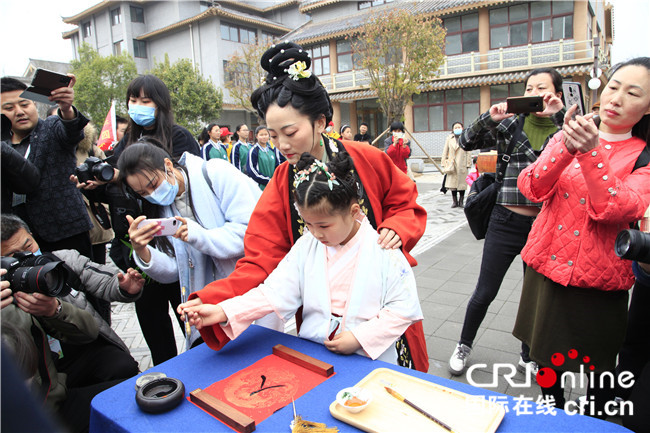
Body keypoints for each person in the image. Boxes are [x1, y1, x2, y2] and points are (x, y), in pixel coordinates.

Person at [178, 42, 429, 372]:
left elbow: (404, 202)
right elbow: (262, 262)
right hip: (322, 329)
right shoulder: (282, 182)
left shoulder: (366, 158)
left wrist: (396, 227)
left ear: (321, 122)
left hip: (378, 315)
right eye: (272, 134)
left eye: (291, 132)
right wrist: (219, 302)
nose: (282, 145)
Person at [181, 150, 423, 363]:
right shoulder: (307, 245)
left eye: (324, 226)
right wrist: (224, 310)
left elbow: (403, 309)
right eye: (308, 224)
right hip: (313, 350)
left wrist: (360, 337)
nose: (316, 233)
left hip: (368, 355)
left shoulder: (383, 249)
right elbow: (274, 292)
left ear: (353, 211)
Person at [513, 57, 650, 417]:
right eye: (614, 86)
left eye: (632, 93)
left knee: (600, 370)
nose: (616, 98)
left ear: (648, 107)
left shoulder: (643, 157)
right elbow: (531, 186)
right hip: (545, 265)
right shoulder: (568, 133)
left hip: (599, 281)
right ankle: (553, 414)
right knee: (545, 359)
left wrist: (591, 154)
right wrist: (566, 146)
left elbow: (615, 208)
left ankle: (595, 421)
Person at [76, 74, 201, 365]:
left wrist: (128, 176)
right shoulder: (126, 141)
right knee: (153, 323)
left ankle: (199, 373)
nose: (138, 106)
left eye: (145, 100)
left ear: (160, 104)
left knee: (191, 320)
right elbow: (121, 192)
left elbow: (184, 189)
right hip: (135, 244)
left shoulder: (179, 136)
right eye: (133, 100)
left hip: (173, 242)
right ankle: (167, 377)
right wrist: (99, 186)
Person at [448, 67, 566, 376]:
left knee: (534, 297)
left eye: (541, 87)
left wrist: (559, 117)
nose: (533, 93)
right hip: (505, 218)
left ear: (555, 93)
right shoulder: (511, 122)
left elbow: (578, 153)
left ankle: (528, 354)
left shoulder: (563, 129)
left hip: (544, 226)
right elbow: (466, 141)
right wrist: (491, 115)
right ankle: (464, 344)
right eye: (528, 87)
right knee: (486, 290)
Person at [119, 140, 261, 346]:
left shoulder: (216, 173)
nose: (152, 194)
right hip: (208, 304)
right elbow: (176, 271)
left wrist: (197, 235)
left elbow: (249, 232)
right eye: (143, 193)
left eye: (152, 184)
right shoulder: (163, 210)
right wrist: (143, 251)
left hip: (247, 292)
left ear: (168, 165)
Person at [1, 214, 143, 390]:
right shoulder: (4, 297)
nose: (27, 256)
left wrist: (125, 287)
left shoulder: (62, 261)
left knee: (122, 366)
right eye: (12, 255)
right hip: (41, 371)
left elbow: (104, 280)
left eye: (28, 245)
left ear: (32, 234)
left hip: (80, 348)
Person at [1, 76, 93, 258]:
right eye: (9, 108)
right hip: (21, 240)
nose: (19, 112)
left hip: (66, 232)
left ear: (34, 105)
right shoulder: (2, 145)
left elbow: (71, 130)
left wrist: (66, 108)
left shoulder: (51, 128)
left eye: (24, 104)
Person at [440, 122, 472, 208]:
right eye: (455, 127)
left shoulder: (465, 138)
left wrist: (468, 163)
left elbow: (468, 151)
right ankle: (454, 201)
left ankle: (461, 201)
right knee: (452, 184)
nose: (457, 129)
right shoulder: (449, 138)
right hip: (452, 164)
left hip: (462, 163)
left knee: (462, 184)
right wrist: (444, 162)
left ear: (462, 128)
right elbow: (445, 151)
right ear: (453, 129)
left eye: (459, 127)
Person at [246, 125, 285, 190]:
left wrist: (275, 179)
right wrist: (267, 180)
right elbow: (251, 170)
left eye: (266, 134)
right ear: (256, 136)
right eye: (261, 135)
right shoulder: (254, 151)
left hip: (273, 185)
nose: (264, 137)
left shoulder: (271, 150)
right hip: (260, 186)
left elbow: (277, 166)